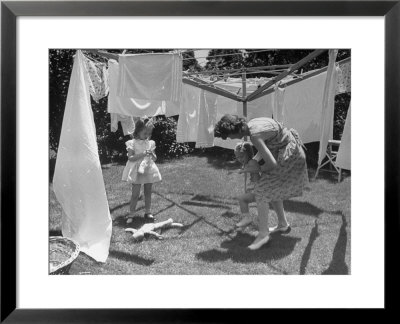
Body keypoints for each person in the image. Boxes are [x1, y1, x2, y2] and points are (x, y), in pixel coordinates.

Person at [214, 115, 308, 250]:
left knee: (262, 190)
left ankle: (263, 234)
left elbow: (272, 164)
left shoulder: (254, 135)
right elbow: (269, 148)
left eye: (229, 136)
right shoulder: (253, 124)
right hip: (289, 153)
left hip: (289, 157)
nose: (230, 138)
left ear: (235, 131)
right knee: (271, 189)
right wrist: (254, 163)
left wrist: (255, 169)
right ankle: (282, 224)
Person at [122, 117, 162, 223]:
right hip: (137, 171)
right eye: (145, 133)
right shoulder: (132, 143)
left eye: (148, 133)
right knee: (135, 193)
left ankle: (148, 212)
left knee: (148, 192)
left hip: (148, 169)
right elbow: (130, 158)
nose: (147, 136)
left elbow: (154, 159)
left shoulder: (150, 143)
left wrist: (151, 153)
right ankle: (131, 213)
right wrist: (143, 154)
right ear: (138, 131)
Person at [233, 142, 261, 231]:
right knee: (243, 200)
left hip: (258, 189)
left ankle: (247, 219)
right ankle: (246, 223)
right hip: (253, 189)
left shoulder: (252, 162)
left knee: (242, 199)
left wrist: (244, 170)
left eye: (241, 156)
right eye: (237, 157)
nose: (239, 159)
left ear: (248, 154)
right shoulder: (247, 163)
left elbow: (256, 169)